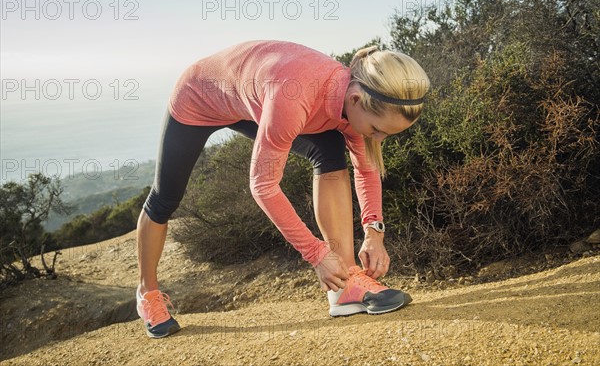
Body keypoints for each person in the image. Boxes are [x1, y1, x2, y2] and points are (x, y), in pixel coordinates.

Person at [135, 40, 430, 338]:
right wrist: (316, 254)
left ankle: (347, 284)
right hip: (199, 96)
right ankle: (148, 293)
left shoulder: (354, 99)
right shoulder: (296, 96)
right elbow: (263, 186)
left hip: (253, 95)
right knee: (165, 198)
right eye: (377, 130)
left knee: (330, 148)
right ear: (354, 99)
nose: (378, 139)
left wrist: (374, 234)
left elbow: (366, 168)